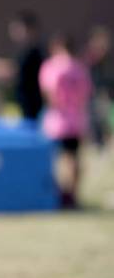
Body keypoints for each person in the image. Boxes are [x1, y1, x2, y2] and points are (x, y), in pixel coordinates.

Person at [39, 32, 92, 209]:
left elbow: (50, 93)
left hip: (57, 121)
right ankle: (72, 195)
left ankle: (58, 194)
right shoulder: (80, 68)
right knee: (74, 159)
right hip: (76, 120)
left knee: (55, 160)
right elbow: (85, 95)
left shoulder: (52, 67)